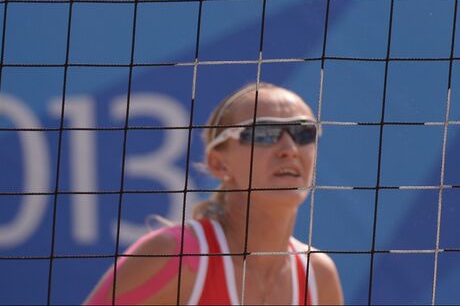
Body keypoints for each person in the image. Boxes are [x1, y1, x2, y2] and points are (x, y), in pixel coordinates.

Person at [83, 83, 343, 305]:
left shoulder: (318, 276)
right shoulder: (175, 255)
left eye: (303, 132)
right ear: (218, 164)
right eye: (264, 133)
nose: (289, 148)